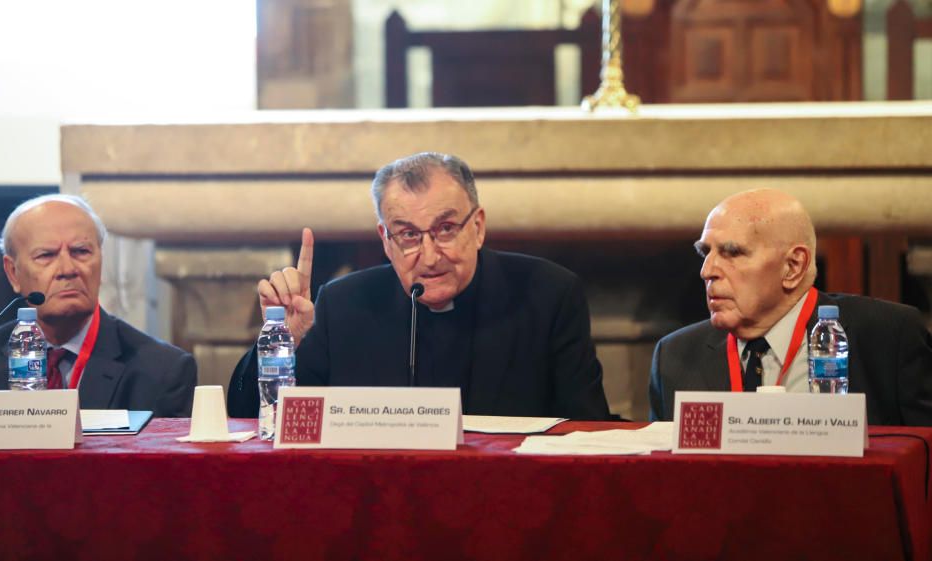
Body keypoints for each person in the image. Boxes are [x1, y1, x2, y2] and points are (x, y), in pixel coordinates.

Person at [228, 152, 611, 420]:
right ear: (386, 240)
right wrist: (282, 343)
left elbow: (587, 433)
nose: (429, 256)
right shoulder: (343, 305)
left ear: (477, 227)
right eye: (409, 235)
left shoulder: (548, 296)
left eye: (445, 229)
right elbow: (251, 419)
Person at [649, 188, 932, 425]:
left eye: (732, 252)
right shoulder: (674, 357)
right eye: (705, 252)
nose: (707, 271)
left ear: (793, 266)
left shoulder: (889, 338)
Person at [0, 194, 196, 417]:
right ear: (13, 273)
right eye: (46, 255)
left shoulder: (163, 371)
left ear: (101, 261)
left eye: (81, 251)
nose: (68, 269)